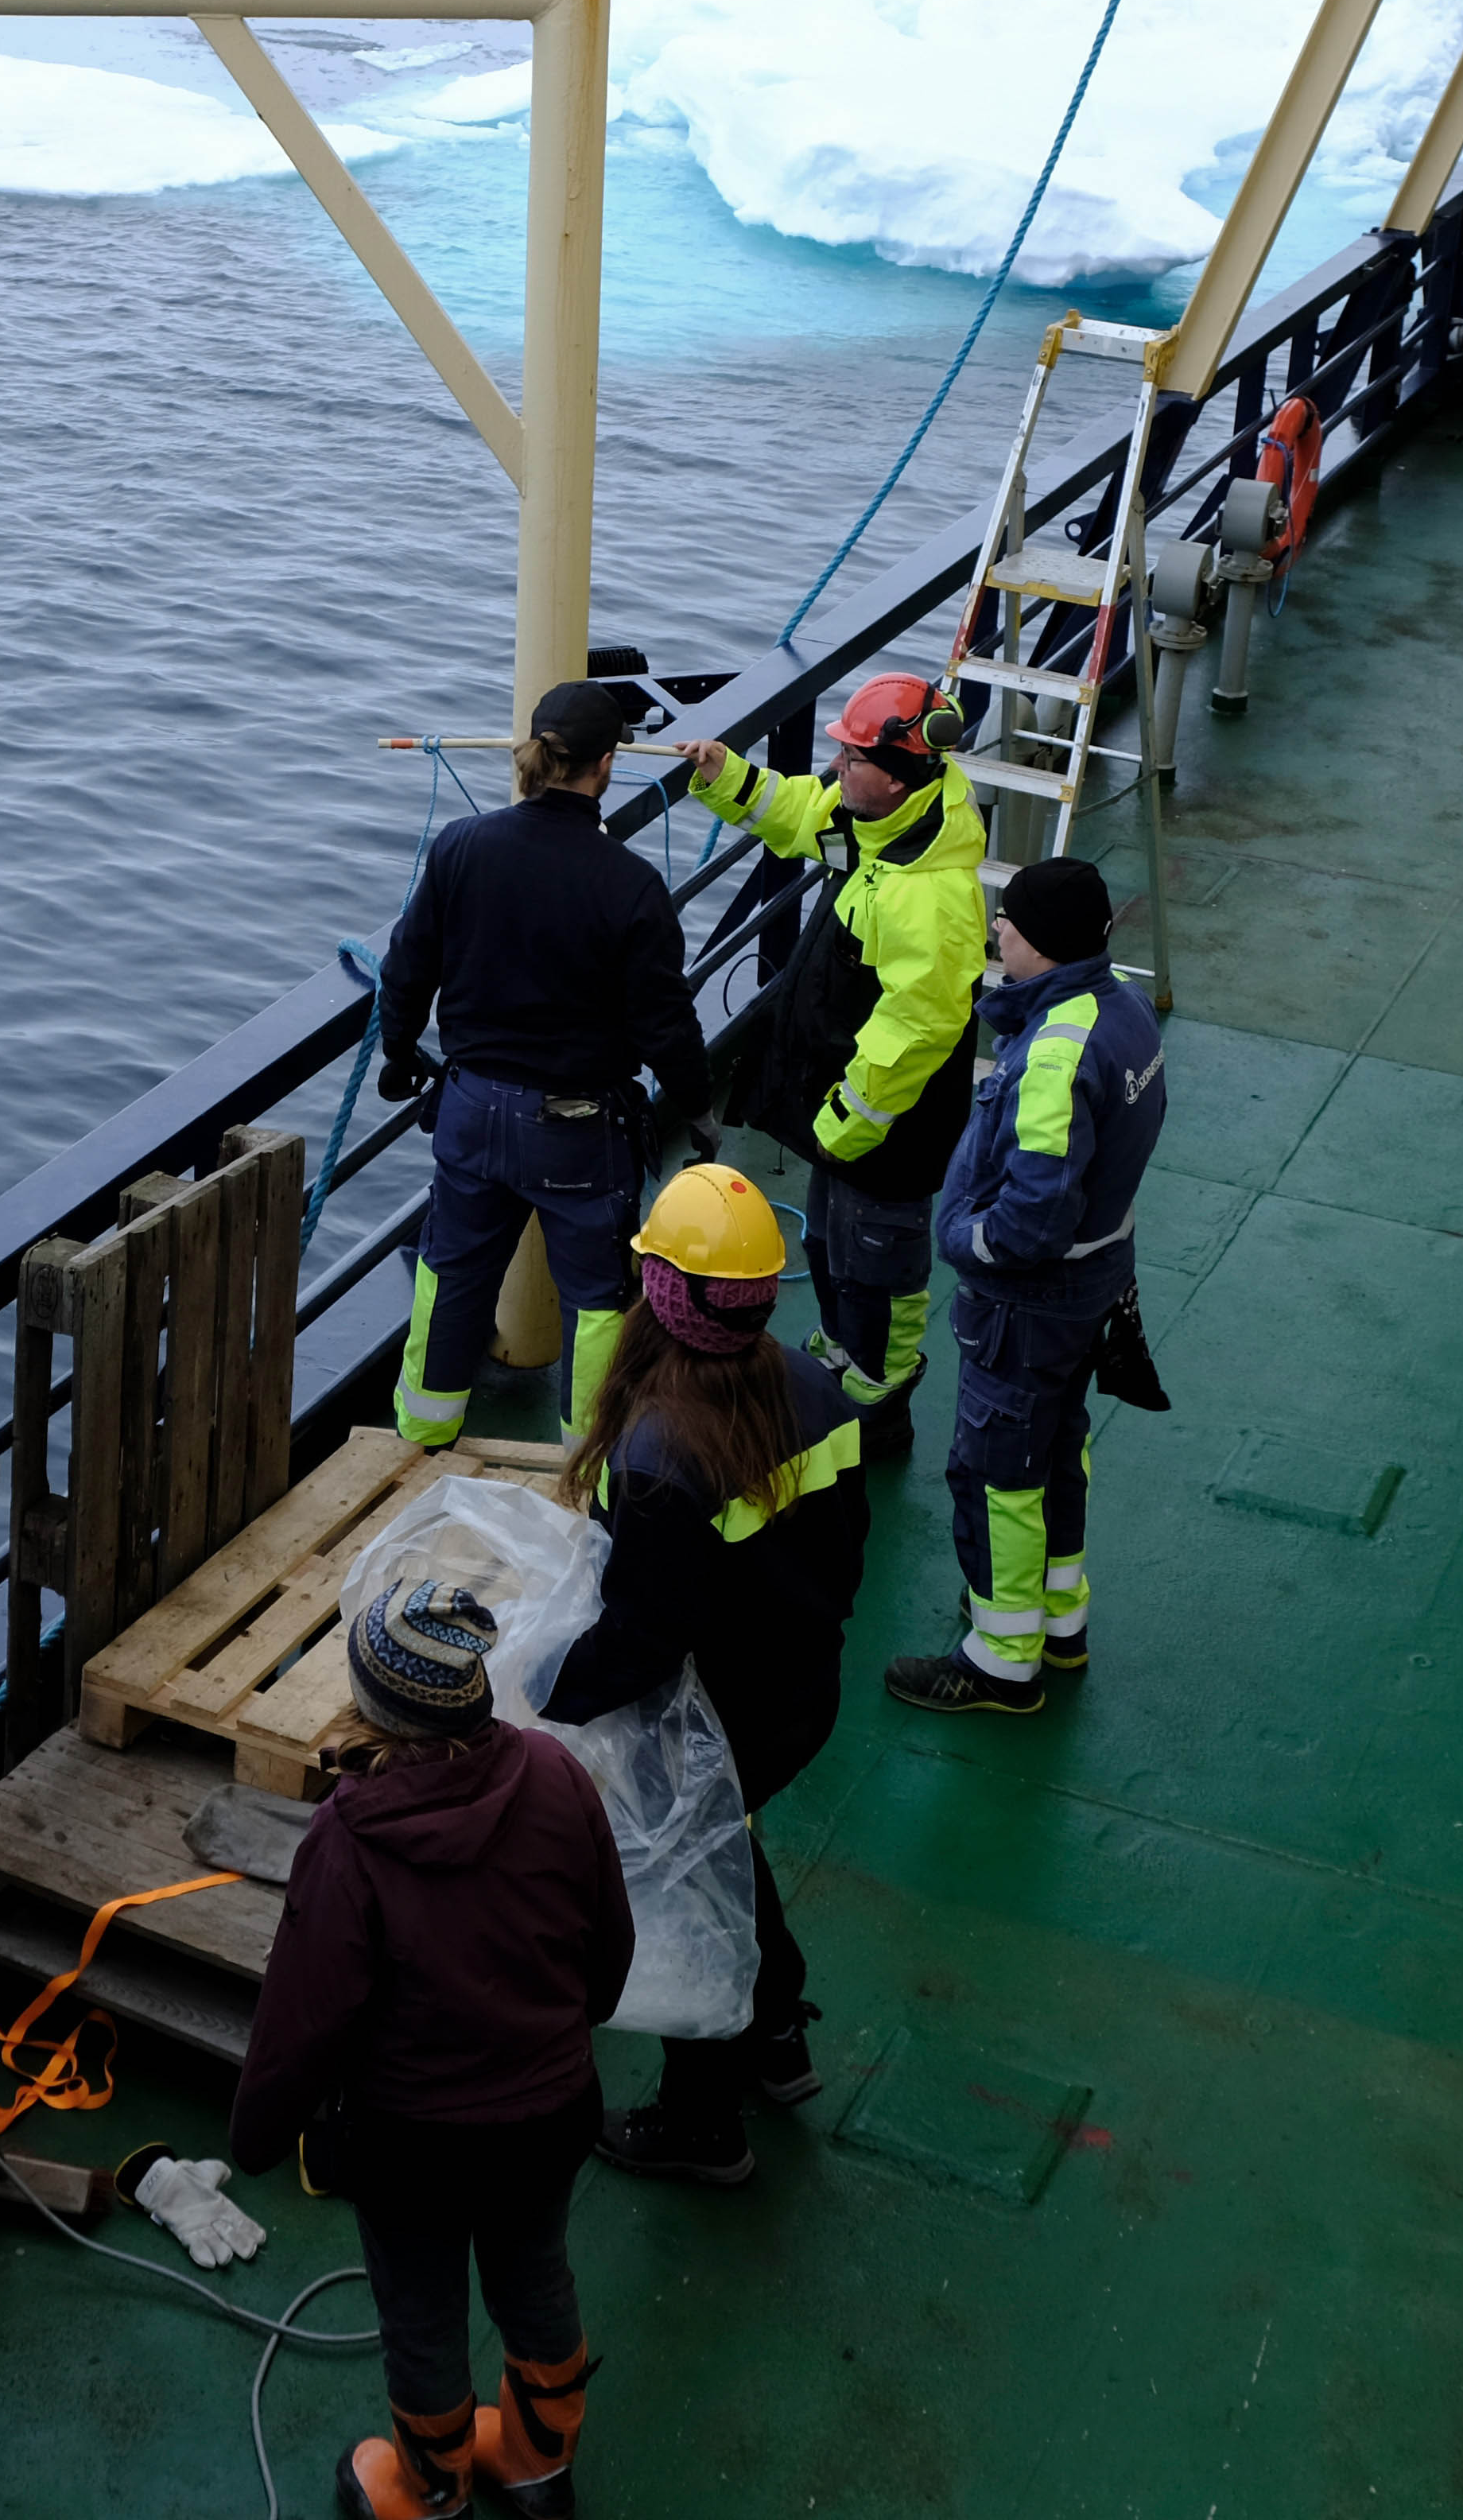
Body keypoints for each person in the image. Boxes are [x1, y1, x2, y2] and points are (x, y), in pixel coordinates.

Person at [231, 1579, 632, 2520]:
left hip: (414, 2151)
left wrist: (257, 2135)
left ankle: (431, 2486)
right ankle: (538, 2462)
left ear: (375, 1705)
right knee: (535, 2273)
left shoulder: (348, 1840)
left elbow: (304, 2018)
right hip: (548, 2116)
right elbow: (607, 1952)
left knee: (422, 2313)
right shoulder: (555, 1773)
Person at [538, 1161, 871, 2185]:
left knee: (691, 1891)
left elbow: (646, 1635)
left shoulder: (658, 1454)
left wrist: (549, 1692)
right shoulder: (817, 1385)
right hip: (801, 1690)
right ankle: (776, 2038)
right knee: (733, 1848)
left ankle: (703, 2122)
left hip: (717, 1720)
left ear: (661, 1293)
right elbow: (847, 1551)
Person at [375, 679, 713, 1450]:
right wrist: (697, 1107)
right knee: (595, 1299)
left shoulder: (461, 846)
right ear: (606, 766)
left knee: (451, 1270)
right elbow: (664, 1021)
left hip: (468, 1109)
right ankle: (585, 1461)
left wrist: (400, 1054)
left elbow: (407, 969)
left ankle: (424, 1433)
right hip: (576, 1128)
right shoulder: (630, 885)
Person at [669, 673, 988, 1472]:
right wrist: (727, 776)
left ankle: (876, 1404)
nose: (836, 766)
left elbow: (918, 1026)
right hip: (846, 1114)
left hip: (886, 1123)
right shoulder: (877, 819)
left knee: (882, 1258)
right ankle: (840, 1356)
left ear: (902, 769)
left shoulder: (932, 896)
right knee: (836, 1245)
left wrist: (851, 1116)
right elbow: (803, 814)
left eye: (851, 755)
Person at [890, 856, 1167, 1719]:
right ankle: (1060, 1621)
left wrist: (964, 1239)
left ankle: (1002, 1659)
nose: (994, 933)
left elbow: (1034, 1219)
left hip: (1031, 1300)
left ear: (1038, 944)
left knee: (998, 1467)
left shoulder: (1054, 1050)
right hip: (1095, 1285)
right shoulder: (1123, 1017)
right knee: (1059, 1448)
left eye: (1005, 922)